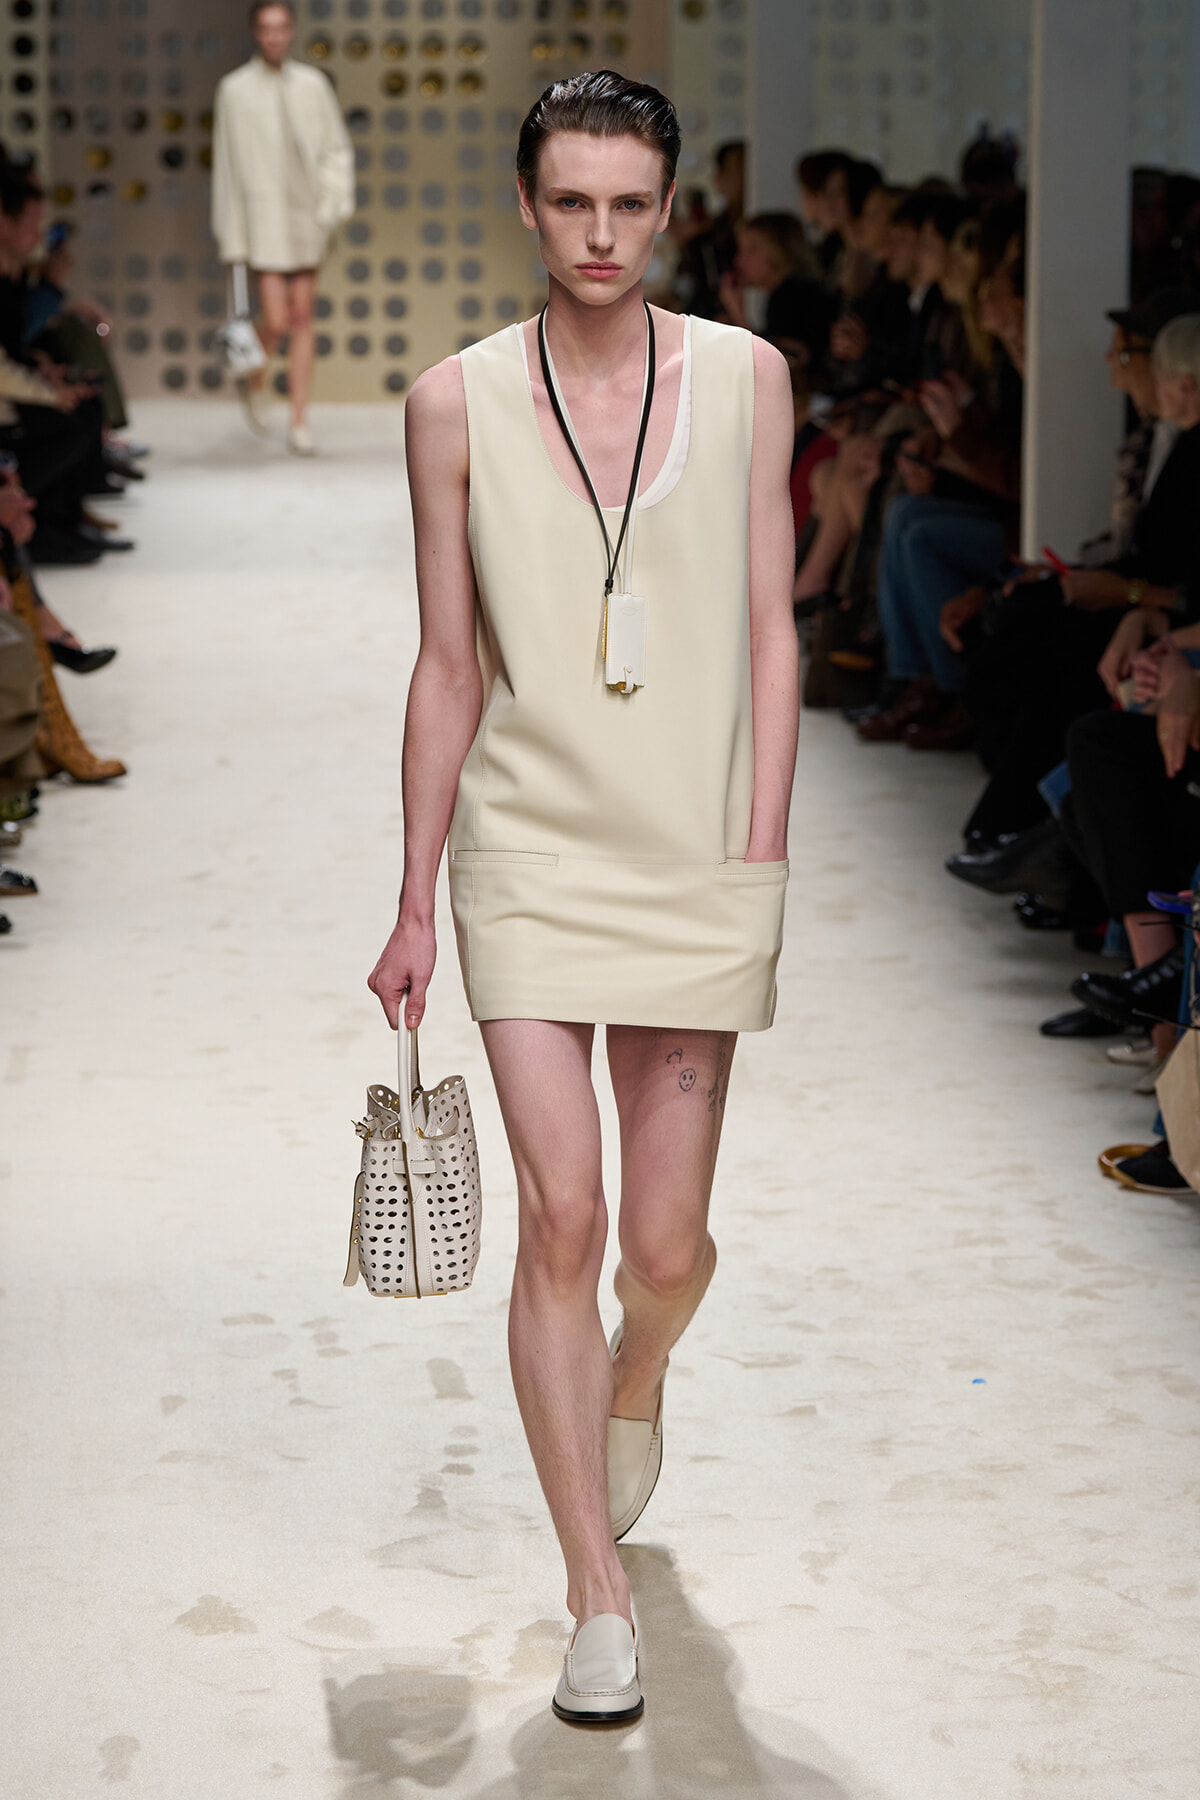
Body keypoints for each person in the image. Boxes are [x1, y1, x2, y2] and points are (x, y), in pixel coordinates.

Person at [368, 70, 797, 1727]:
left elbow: (771, 631)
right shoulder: (451, 404)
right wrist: (415, 895)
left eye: (631, 203)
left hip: (695, 850)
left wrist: (756, 851)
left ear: (670, 207)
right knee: (564, 1214)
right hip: (530, 845)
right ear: (527, 207)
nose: (602, 233)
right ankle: (593, 1596)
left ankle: (641, 1368)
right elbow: (443, 657)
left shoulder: (749, 380)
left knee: (667, 1244)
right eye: (573, 202)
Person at [211, 0, 354, 455]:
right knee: (275, 319)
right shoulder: (233, 90)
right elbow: (227, 167)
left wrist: (332, 205)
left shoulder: (312, 85)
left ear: (291, 31)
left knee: (303, 316)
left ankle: (298, 420)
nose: (274, 36)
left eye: (281, 27)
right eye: (266, 28)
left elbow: (335, 146)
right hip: (262, 217)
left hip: (306, 215)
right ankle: (255, 376)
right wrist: (232, 234)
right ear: (255, 32)